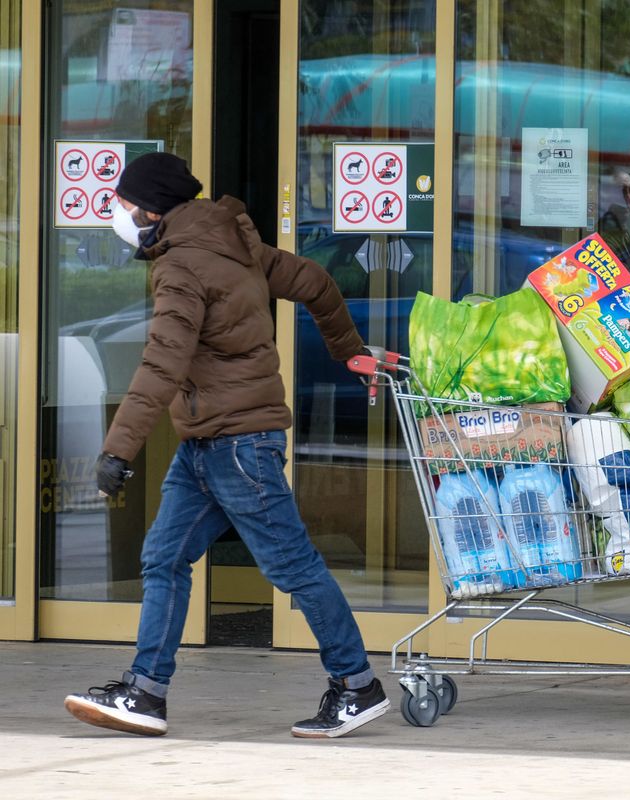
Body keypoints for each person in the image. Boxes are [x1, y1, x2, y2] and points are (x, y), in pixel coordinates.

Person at [64, 152, 388, 739]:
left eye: (122, 202)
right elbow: (316, 282)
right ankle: (145, 693)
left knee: (292, 566)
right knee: (164, 557)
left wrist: (118, 449)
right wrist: (346, 350)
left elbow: (164, 360)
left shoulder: (183, 266)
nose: (117, 212)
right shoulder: (230, 243)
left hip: (239, 443)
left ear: (150, 209)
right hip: (208, 443)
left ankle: (357, 686)